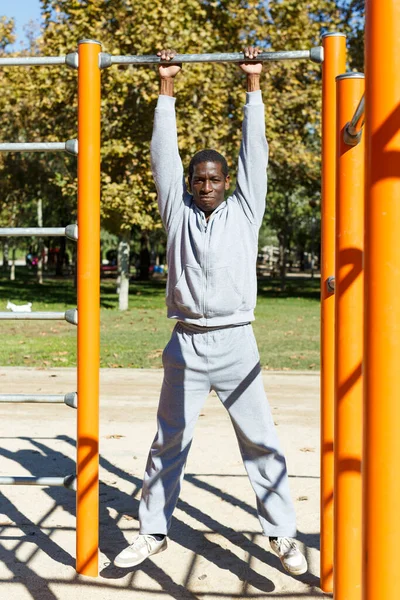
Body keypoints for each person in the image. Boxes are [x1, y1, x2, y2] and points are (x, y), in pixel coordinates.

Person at [114, 47, 307, 577]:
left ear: (227, 182)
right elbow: (163, 156)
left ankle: (284, 536)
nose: (204, 185)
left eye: (213, 179)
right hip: (187, 342)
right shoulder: (176, 210)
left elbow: (256, 154)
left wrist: (253, 86)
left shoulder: (245, 210)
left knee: (260, 441)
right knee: (168, 440)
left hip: (237, 342)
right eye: (198, 178)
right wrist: (167, 88)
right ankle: (153, 531)